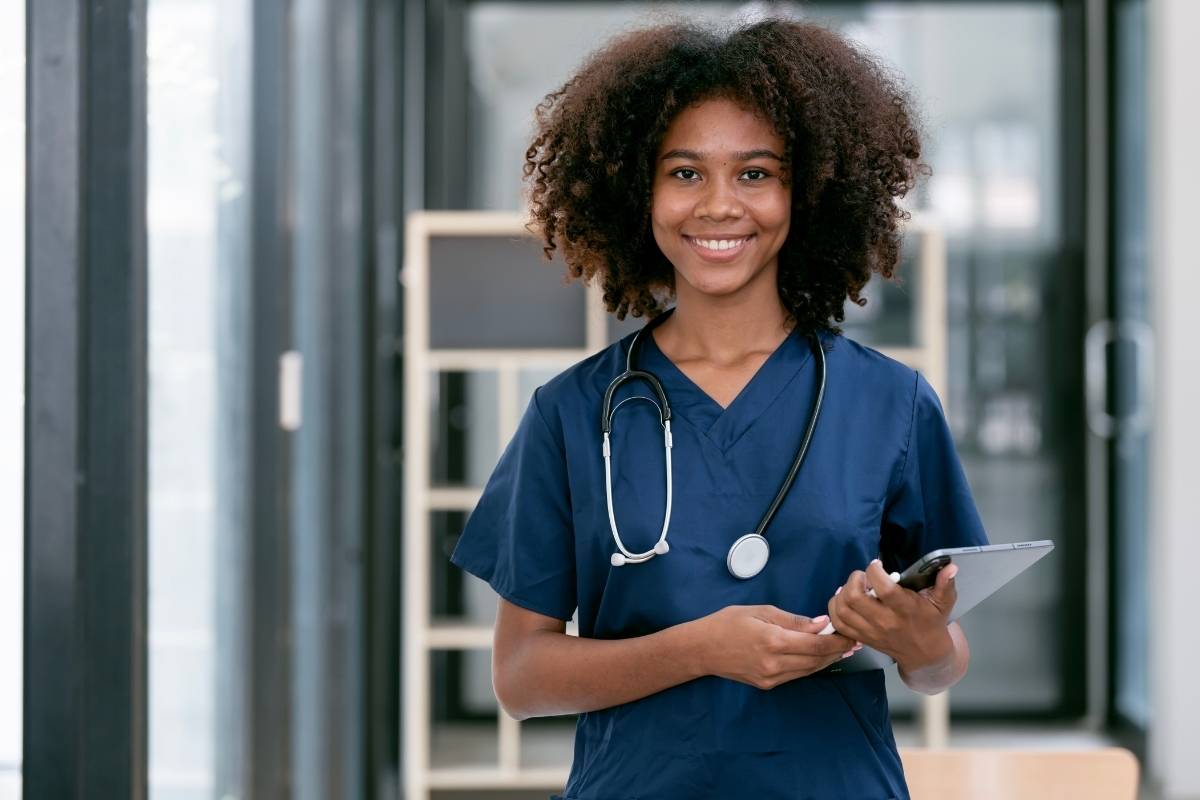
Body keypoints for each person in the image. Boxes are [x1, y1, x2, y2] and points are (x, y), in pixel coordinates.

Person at [449, 15, 988, 800]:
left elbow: (941, 667)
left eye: (756, 173)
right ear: (639, 192)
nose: (719, 206)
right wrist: (699, 649)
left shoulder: (890, 403)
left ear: (808, 192)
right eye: (685, 173)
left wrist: (921, 641)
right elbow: (522, 678)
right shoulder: (572, 413)